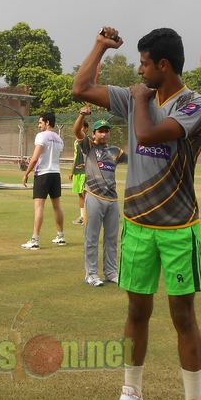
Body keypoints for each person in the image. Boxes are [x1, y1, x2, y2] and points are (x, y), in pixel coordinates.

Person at [71, 27, 201, 400]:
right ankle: (131, 395)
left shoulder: (196, 104)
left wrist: (137, 99)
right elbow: (82, 87)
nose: (139, 70)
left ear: (163, 66)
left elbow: (150, 135)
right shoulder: (137, 95)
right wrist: (100, 45)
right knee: (136, 313)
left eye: (144, 63)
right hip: (136, 226)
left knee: (182, 316)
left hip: (178, 228)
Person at [74, 112, 128, 287]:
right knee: (92, 237)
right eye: (100, 131)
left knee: (112, 238)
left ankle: (111, 272)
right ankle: (91, 274)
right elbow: (77, 130)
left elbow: (135, 159)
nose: (104, 134)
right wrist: (82, 115)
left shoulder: (115, 151)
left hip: (113, 200)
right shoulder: (89, 146)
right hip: (94, 198)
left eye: (106, 131)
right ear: (94, 134)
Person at [21, 111, 65, 249]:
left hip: (42, 175)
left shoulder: (41, 136)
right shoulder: (59, 139)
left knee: (39, 207)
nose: (39, 125)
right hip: (55, 174)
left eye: (40, 122)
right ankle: (61, 236)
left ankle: (35, 240)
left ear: (47, 123)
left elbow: (35, 158)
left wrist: (26, 173)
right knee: (57, 206)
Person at [69, 116, 88, 225]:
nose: (80, 130)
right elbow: (75, 156)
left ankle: (87, 216)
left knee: (86, 194)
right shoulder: (76, 142)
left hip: (86, 171)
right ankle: (82, 216)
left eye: (82, 128)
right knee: (80, 194)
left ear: (86, 129)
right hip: (77, 171)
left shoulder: (89, 140)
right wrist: (72, 171)